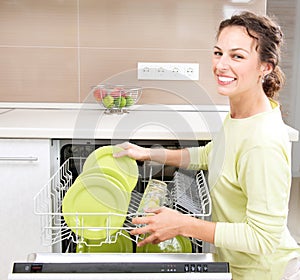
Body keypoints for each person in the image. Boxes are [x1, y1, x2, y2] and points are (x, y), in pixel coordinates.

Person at [114, 11, 300, 279]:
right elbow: (213, 154)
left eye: (237, 56)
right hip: (237, 265)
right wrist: (150, 153)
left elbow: (263, 238)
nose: (221, 65)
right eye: (218, 53)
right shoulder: (240, 115)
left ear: (265, 67)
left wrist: (183, 225)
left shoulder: (263, 142)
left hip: (265, 272)